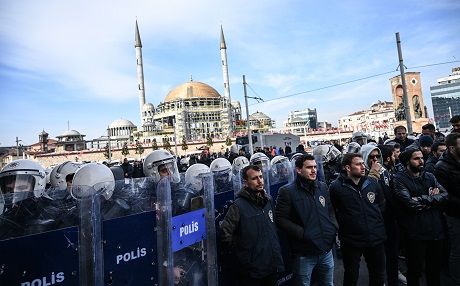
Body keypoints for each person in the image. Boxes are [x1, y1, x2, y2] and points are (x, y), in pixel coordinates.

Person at [276, 154, 337, 285]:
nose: (314, 170)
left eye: (315, 167)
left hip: (325, 250)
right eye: (309, 167)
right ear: (298, 170)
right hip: (304, 254)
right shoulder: (287, 191)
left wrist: (332, 227)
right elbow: (280, 219)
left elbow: (330, 209)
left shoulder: (322, 187)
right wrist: (303, 234)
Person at [220, 165, 284, 286]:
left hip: (271, 265)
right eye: (255, 178)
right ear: (246, 182)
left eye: (261, 177)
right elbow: (225, 234)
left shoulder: (268, 200)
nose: (260, 181)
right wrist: (245, 253)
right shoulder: (238, 206)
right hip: (251, 272)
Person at [329, 153, 386, 286]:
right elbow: (333, 211)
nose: (363, 167)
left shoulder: (372, 182)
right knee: (351, 276)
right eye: (358, 164)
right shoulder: (336, 187)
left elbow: (381, 204)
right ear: (348, 168)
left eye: (362, 163)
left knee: (378, 275)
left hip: (375, 237)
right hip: (351, 240)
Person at [393, 148, 447, 286]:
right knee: (415, 271)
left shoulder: (429, 176)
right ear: (407, 161)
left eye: (421, 158)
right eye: (416, 158)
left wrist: (422, 198)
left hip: (436, 231)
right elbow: (410, 204)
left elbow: (445, 196)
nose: (421, 161)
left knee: (434, 271)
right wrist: (433, 200)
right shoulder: (399, 179)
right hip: (416, 234)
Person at [433, 132, 460, 285]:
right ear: (452, 148)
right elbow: (445, 195)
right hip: (454, 214)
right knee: (457, 250)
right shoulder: (441, 168)